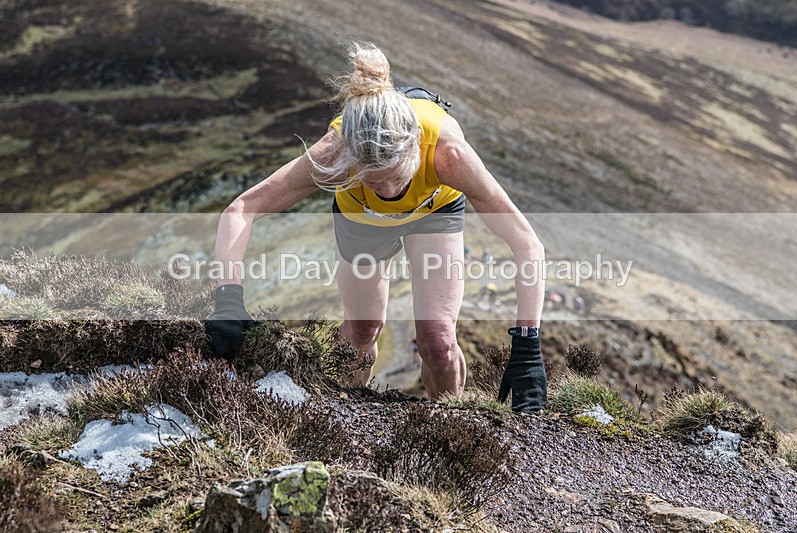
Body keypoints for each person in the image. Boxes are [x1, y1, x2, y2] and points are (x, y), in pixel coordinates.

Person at [204, 43, 547, 411]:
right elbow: (242, 209)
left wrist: (527, 346)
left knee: (438, 342)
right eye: (373, 179)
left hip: (434, 210)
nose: (388, 191)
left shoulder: (448, 152)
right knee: (362, 330)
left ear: (415, 147)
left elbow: (526, 242)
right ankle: (343, 415)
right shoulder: (334, 152)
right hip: (361, 219)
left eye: (397, 176)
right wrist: (228, 300)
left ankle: (451, 420)